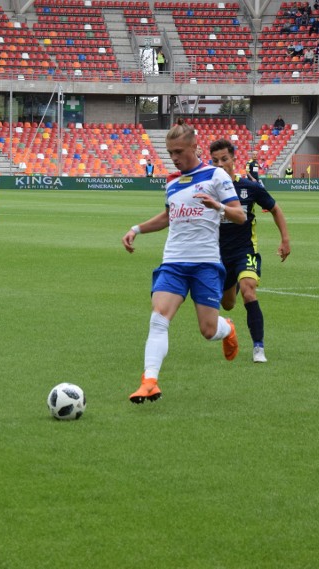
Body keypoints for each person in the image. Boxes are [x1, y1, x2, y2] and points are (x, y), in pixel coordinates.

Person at [121, 119, 246, 404]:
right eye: (170, 153)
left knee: (208, 331)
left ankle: (227, 328)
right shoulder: (172, 183)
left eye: (179, 151)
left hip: (205, 264)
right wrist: (136, 229)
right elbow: (167, 217)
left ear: (194, 147)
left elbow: (240, 216)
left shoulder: (216, 176)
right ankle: (149, 381)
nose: (174, 158)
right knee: (158, 319)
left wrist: (218, 206)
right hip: (173, 262)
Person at [209, 139, 291, 363]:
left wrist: (285, 240)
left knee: (248, 291)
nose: (220, 164)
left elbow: (275, 209)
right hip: (219, 255)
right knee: (227, 304)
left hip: (245, 250)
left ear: (234, 159)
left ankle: (258, 348)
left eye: (224, 159)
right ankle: (229, 324)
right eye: (215, 160)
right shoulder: (207, 190)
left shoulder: (249, 187)